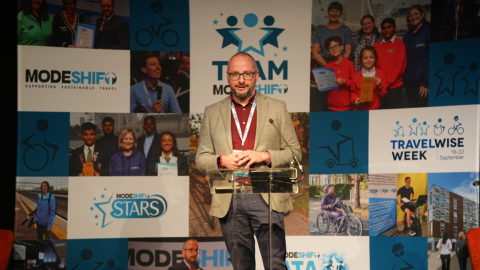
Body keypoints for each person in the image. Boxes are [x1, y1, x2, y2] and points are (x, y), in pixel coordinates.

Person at [196, 52, 301, 269]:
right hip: (230, 197)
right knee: (241, 266)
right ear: (227, 77)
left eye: (246, 74)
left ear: (256, 76)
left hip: (266, 194)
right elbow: (201, 159)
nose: (241, 80)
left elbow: (295, 153)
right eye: (235, 74)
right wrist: (222, 161)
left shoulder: (277, 107)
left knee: (275, 265)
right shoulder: (212, 112)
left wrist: (264, 155)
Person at [374, 17, 408, 109]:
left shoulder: (399, 44)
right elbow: (374, 66)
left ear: (394, 28)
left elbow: (399, 67)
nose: (386, 30)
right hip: (379, 87)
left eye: (389, 27)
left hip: (394, 88)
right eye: (384, 28)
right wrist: (380, 83)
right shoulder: (377, 45)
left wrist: (385, 82)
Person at [403, 5, 430, 108]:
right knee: (412, 111)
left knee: (422, 112)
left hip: (423, 82)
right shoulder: (407, 36)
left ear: (423, 15)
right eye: (410, 15)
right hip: (410, 82)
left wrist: (426, 82)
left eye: (416, 14)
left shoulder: (429, 31)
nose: (413, 17)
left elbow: (430, 59)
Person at [311, 1, 353, 66]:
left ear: (340, 14)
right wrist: (328, 67)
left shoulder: (346, 30)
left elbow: (348, 51)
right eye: (332, 11)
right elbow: (315, 52)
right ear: (328, 12)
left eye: (337, 11)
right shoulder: (319, 30)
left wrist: (338, 66)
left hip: (341, 65)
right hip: (324, 65)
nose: (334, 13)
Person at [323, 36, 355, 111]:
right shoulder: (327, 66)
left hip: (347, 107)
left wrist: (344, 81)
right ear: (328, 52)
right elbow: (325, 88)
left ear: (342, 47)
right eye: (331, 48)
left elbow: (354, 84)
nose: (334, 49)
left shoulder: (349, 64)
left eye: (336, 46)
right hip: (331, 106)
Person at [351, 46, 387, 110]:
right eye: (365, 58)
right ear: (361, 60)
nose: (368, 60)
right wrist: (355, 99)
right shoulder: (355, 76)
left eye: (371, 57)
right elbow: (352, 92)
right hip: (360, 110)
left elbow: (383, 94)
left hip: (375, 109)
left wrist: (379, 85)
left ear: (375, 58)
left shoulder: (380, 74)